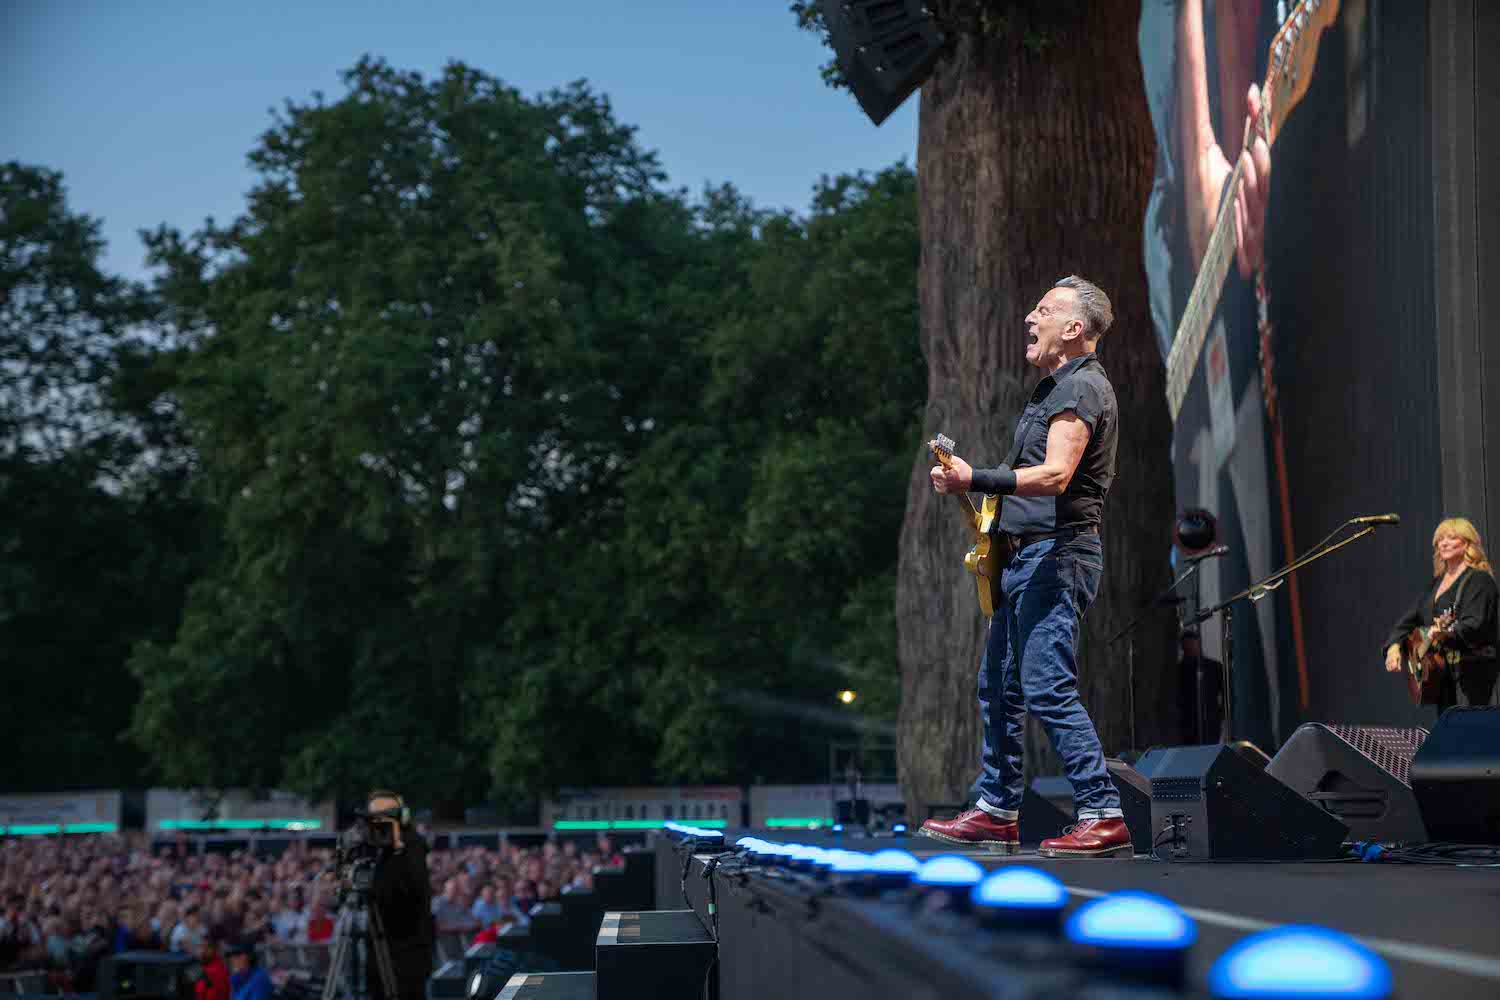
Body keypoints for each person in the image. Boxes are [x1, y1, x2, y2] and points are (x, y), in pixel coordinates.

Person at [920, 276, 1131, 859]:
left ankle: (1104, 812)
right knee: (998, 687)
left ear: (1074, 328)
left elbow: (1057, 475)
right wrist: (974, 488)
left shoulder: (1082, 387)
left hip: (1057, 556)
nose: (1029, 318)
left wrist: (975, 477)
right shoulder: (1055, 389)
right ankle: (997, 811)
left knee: (1045, 685)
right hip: (1028, 557)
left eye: (1043, 310)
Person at [1384, 518, 1498, 708]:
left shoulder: (1479, 580)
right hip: (1442, 676)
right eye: (1440, 539)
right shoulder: (1436, 583)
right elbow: (1410, 618)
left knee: (1468, 722)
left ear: (1467, 543)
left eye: (1451, 538)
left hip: (1470, 674)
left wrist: (1447, 633)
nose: (1443, 543)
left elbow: (1475, 624)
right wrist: (1393, 645)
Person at [362, 790, 434, 1000]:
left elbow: (398, 894)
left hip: (404, 953)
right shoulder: (380, 848)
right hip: (384, 950)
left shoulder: (410, 848)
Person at [1177, 627, 1225, 743]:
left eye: (1192, 644)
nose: (1190, 648)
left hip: (1210, 719)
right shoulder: (1179, 670)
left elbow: (1226, 691)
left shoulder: (1214, 667)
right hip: (1187, 723)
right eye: (1186, 646)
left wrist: (1221, 714)